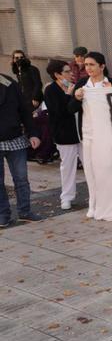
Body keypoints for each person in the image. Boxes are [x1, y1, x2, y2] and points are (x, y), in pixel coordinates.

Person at [68, 52, 112, 219]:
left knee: (110, 168)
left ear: (102, 66)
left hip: (109, 135)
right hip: (89, 134)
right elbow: (70, 109)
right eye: (86, 65)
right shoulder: (83, 84)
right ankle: (94, 203)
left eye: (92, 64)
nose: (88, 68)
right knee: (90, 170)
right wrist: (76, 98)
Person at [0, 70, 42, 227]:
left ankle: (25, 211)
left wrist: (34, 134)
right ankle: (3, 215)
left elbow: (25, 110)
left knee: (21, 179)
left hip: (15, 138)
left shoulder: (9, 83)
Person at [43, 60, 80, 211]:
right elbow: (58, 112)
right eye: (66, 71)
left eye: (70, 71)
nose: (70, 73)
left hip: (81, 132)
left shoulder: (75, 86)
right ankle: (67, 197)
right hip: (64, 134)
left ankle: (97, 195)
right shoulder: (51, 90)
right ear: (57, 74)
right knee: (68, 167)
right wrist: (68, 95)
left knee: (90, 165)